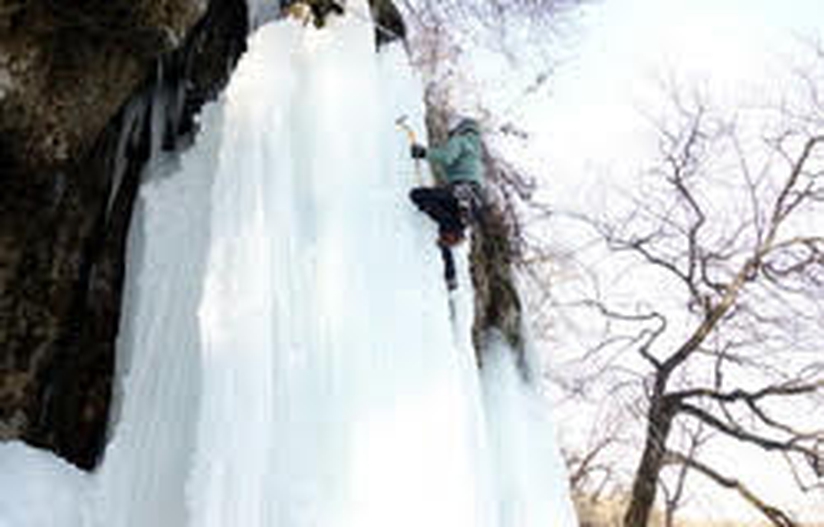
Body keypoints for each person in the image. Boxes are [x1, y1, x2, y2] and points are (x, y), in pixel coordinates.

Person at [408, 115, 485, 289]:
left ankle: (457, 221)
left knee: (418, 195)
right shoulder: (475, 151)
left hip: (462, 190)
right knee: (446, 234)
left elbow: (446, 157)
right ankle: (451, 277)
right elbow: (452, 168)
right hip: (472, 199)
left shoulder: (461, 139)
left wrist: (423, 153)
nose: (450, 135)